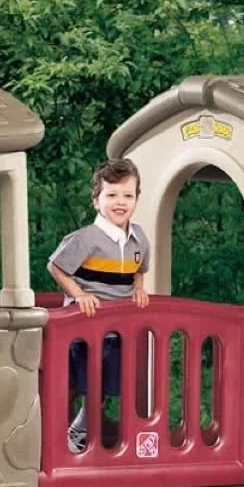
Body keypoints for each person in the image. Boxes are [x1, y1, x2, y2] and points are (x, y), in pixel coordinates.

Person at [47, 158, 151, 453]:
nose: (120, 202)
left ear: (136, 199)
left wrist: (139, 288)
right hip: (85, 327)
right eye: (112, 194)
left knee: (107, 386)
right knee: (83, 383)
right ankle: (63, 436)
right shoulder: (85, 239)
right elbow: (56, 266)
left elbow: (139, 269)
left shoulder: (139, 239)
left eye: (127, 195)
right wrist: (79, 295)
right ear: (96, 200)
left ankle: (80, 431)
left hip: (118, 330)